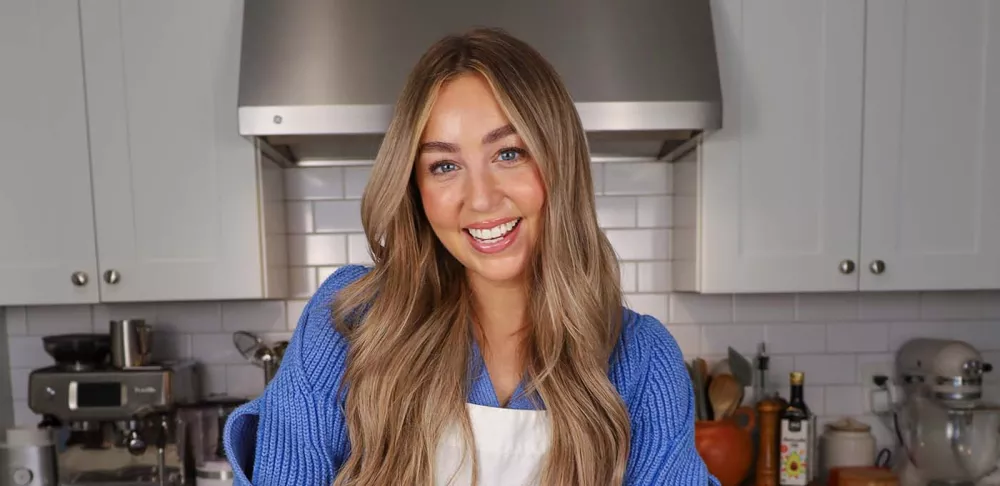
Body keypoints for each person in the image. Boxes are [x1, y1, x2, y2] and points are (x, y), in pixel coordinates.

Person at [223, 27, 718, 486]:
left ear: (558, 159)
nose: (480, 198)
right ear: (415, 188)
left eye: (509, 153)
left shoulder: (641, 360)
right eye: (443, 165)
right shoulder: (352, 322)